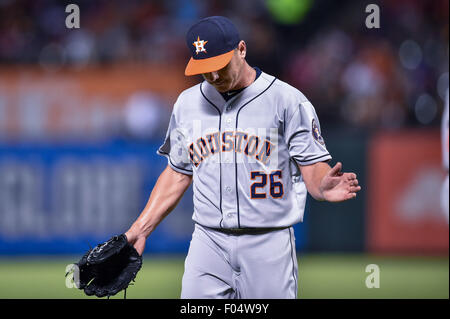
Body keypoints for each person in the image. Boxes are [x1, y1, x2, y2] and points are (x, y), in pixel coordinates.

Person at [124, 16, 361, 298]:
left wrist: (322, 185)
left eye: (218, 66)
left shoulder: (287, 100)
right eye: (204, 69)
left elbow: (313, 168)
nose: (213, 77)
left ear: (242, 50)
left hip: (268, 242)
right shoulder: (187, 104)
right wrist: (141, 229)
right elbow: (178, 172)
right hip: (207, 241)